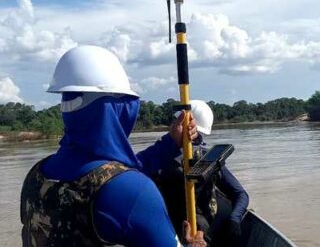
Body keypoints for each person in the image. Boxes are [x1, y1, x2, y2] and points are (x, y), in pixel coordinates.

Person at [20, 45, 207, 247]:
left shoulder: (36, 176)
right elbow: (117, 181)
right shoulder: (134, 190)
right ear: (116, 108)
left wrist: (170, 142)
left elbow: (108, 175)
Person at [153, 100, 249, 247]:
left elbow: (241, 194)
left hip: (194, 228)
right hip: (175, 227)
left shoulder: (207, 160)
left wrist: (233, 220)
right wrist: (234, 219)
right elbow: (241, 194)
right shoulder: (162, 161)